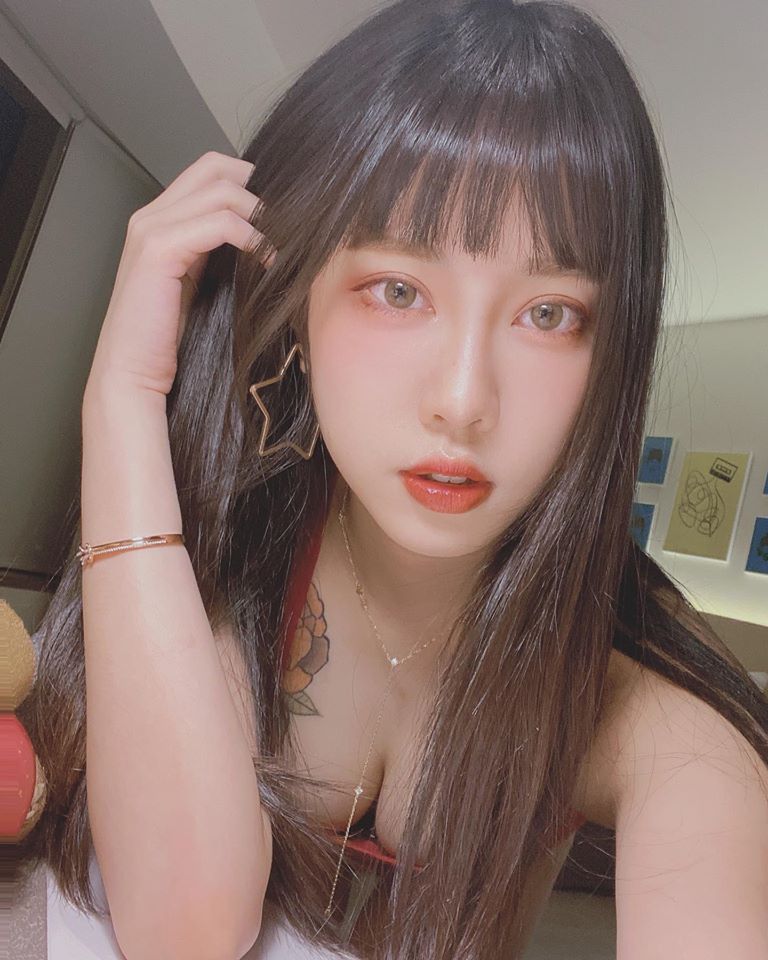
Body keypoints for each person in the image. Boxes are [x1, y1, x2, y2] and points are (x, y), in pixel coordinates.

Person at [14, 1, 768, 958]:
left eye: (547, 314)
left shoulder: (646, 706)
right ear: (300, 305)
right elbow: (186, 926)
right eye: (399, 291)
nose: (463, 400)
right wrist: (122, 397)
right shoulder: (249, 536)